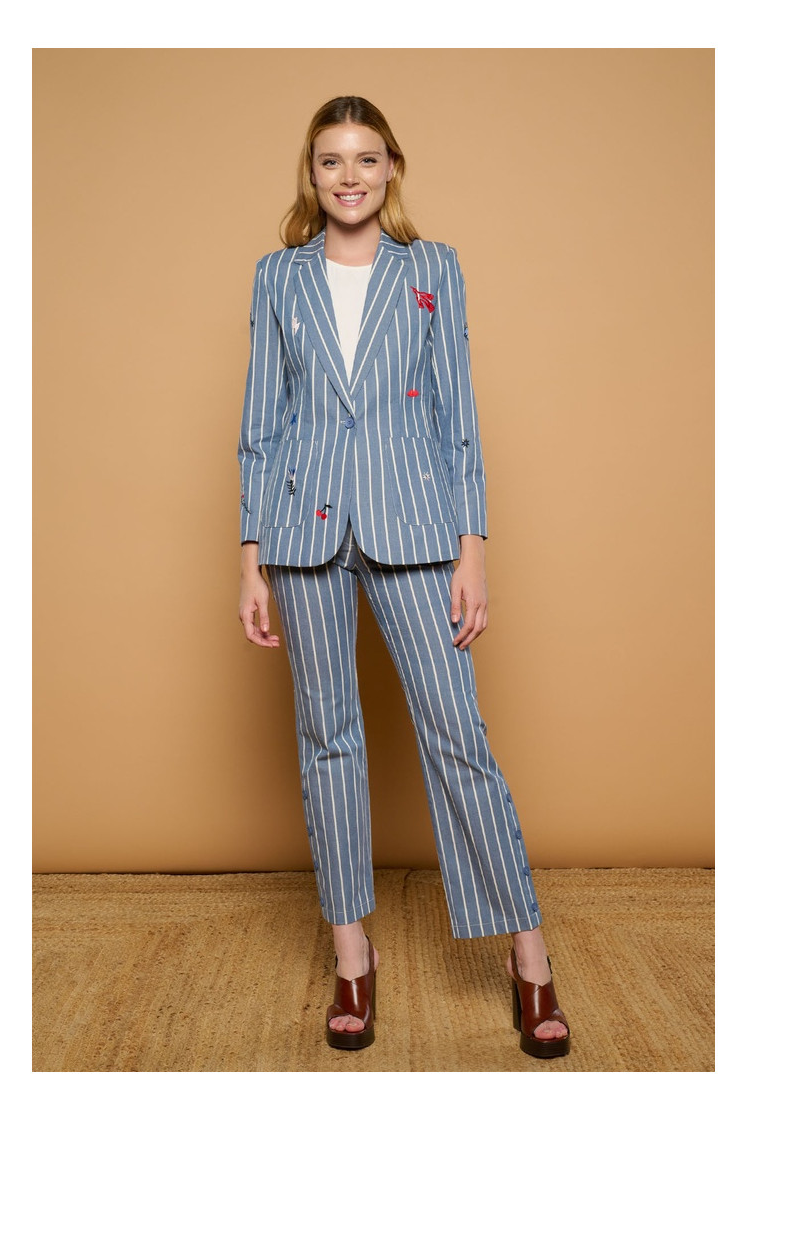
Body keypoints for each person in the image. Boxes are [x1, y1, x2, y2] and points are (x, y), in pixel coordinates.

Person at [237, 96, 569, 1059]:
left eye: (366, 158)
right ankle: (353, 955)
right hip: (301, 529)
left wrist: (474, 548)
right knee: (327, 739)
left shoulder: (434, 270)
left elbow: (458, 414)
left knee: (457, 735)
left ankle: (529, 955)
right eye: (331, 160)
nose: (349, 176)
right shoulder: (277, 277)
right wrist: (250, 559)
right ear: (312, 175)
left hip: (416, 526)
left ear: (392, 169)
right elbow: (261, 424)